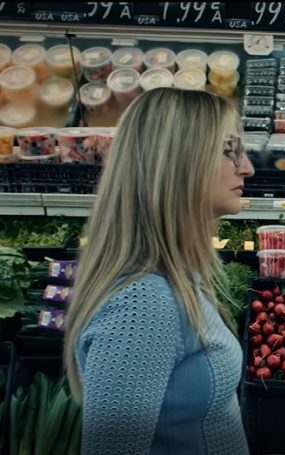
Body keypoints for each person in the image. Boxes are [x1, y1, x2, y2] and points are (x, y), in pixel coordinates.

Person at [64, 87, 255, 454]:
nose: (246, 166)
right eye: (229, 149)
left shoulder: (178, 279)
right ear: (179, 161)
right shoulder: (143, 304)